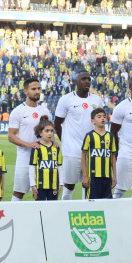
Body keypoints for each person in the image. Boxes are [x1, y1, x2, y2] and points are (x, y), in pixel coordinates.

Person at [54, 71, 104, 200]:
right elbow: (57, 123)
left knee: (88, 185)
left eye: (89, 79)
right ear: (76, 82)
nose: (87, 81)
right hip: (72, 151)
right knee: (69, 185)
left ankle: (85, 212)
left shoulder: (97, 100)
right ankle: (64, 210)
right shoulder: (66, 100)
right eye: (83, 79)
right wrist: (65, 141)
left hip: (92, 152)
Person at [8, 78, 51, 201]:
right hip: (24, 159)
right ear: (25, 91)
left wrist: (53, 143)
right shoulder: (18, 111)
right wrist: (29, 145)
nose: (37, 91)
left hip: (43, 160)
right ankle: (13, 217)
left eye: (38, 88)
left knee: (42, 192)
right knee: (19, 193)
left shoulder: (44, 111)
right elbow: (11, 136)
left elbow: (49, 132)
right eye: (33, 89)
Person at [81, 108, 117, 200]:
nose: (103, 119)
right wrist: (85, 176)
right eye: (99, 117)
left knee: (107, 204)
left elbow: (113, 157)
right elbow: (83, 156)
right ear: (93, 121)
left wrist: (115, 176)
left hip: (107, 177)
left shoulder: (111, 136)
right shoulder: (89, 136)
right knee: (91, 204)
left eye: (104, 117)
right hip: (93, 178)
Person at [29, 117, 64, 201]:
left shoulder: (56, 148)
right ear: (40, 133)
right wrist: (33, 185)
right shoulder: (37, 147)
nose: (50, 133)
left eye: (52, 131)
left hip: (54, 185)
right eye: (47, 131)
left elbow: (59, 166)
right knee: (39, 209)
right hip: (40, 186)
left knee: (52, 208)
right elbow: (32, 167)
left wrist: (61, 183)